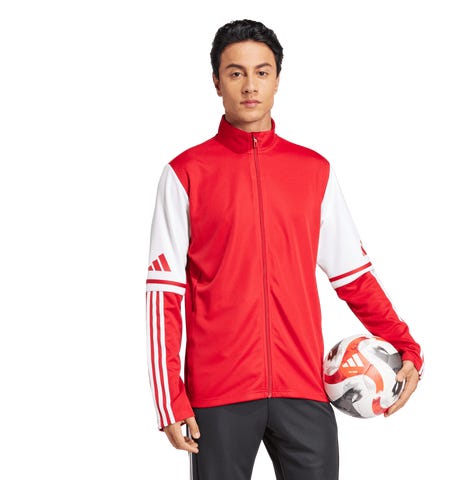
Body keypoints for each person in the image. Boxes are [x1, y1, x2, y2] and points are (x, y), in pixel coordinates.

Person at [145, 19, 423, 480]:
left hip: (304, 387)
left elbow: (354, 278)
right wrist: (169, 397)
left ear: (277, 79)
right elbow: (163, 295)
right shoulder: (185, 173)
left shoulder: (313, 171)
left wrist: (406, 345)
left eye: (262, 72)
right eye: (235, 73)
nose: (249, 86)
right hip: (219, 394)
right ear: (216, 81)